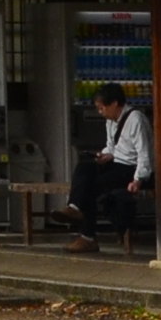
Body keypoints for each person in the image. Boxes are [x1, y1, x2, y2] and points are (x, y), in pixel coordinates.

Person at [63, 83, 151, 255]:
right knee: (84, 167)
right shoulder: (111, 121)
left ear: (115, 103)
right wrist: (105, 155)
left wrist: (138, 179)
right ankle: (74, 206)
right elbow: (112, 146)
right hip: (116, 163)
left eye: (102, 107)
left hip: (132, 168)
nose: (100, 112)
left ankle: (87, 237)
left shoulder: (136, 120)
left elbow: (144, 153)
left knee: (92, 185)